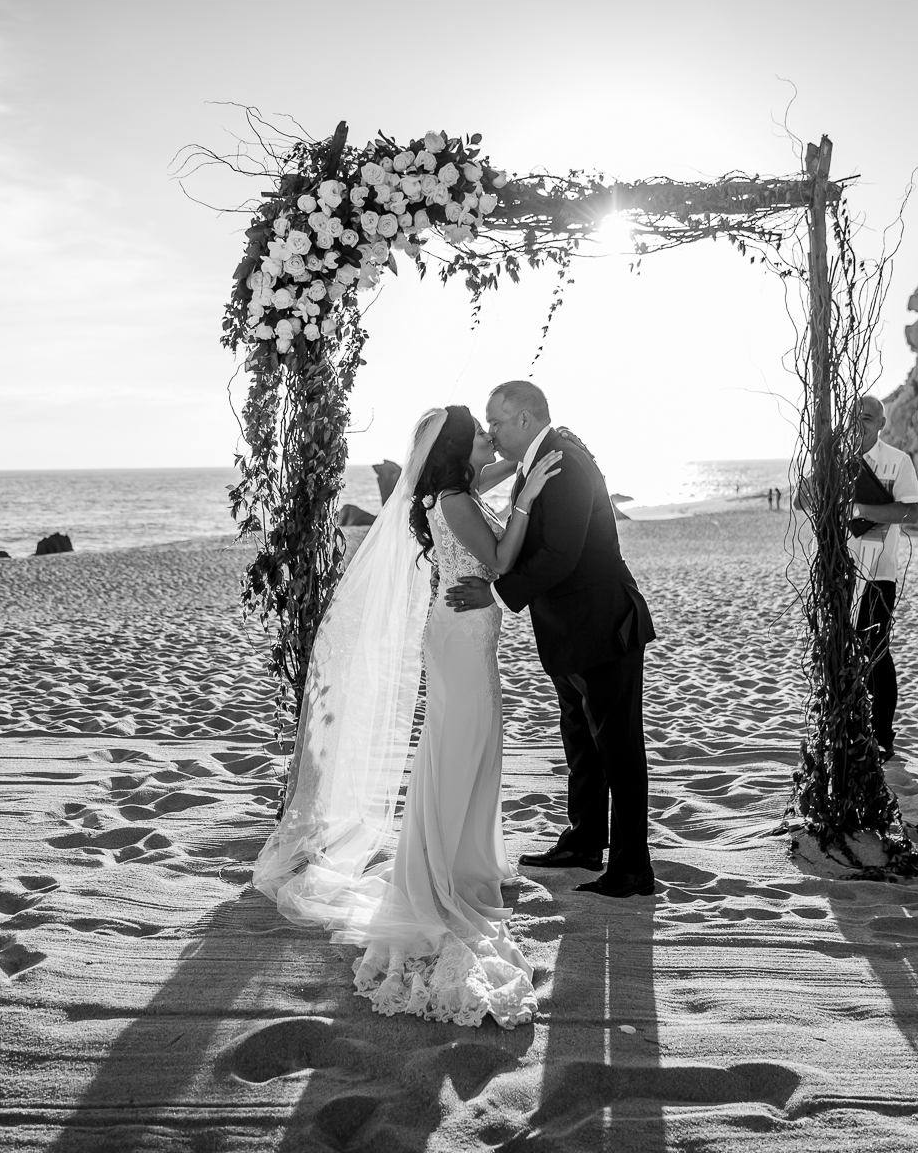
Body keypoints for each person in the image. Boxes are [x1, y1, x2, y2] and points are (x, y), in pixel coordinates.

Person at [252, 406, 563, 1029]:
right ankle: (442, 872)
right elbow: (500, 560)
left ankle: (466, 856)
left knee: (472, 748)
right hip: (460, 642)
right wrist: (527, 495)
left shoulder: (461, 489)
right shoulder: (453, 500)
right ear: (455, 448)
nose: (487, 438)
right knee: (457, 747)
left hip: (469, 636)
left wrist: (525, 461)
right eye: (478, 430)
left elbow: (500, 468)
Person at [445, 381, 658, 899]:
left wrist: (496, 595)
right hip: (570, 632)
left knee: (619, 750)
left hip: (605, 627)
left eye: (495, 421)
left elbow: (560, 554)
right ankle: (585, 842)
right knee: (583, 742)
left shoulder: (563, 462)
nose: (490, 432)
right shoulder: (538, 460)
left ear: (523, 419)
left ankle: (632, 868)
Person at [799, 395, 918, 762]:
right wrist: (818, 480)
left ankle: (882, 736)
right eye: (854, 418)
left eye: (867, 418)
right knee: (837, 647)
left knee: (876, 652)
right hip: (839, 571)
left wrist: (861, 508)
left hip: (879, 573)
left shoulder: (898, 461)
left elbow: (911, 512)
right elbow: (802, 502)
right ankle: (846, 733)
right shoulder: (836, 462)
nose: (859, 424)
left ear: (881, 423)